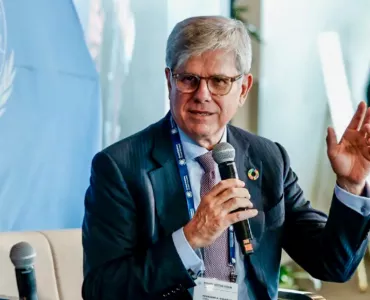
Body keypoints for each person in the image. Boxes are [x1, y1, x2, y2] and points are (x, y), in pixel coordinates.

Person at [81, 16, 370, 300]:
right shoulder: (120, 167)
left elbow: (332, 264)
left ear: (242, 89)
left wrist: (350, 185)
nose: (202, 95)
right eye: (189, 79)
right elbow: (102, 290)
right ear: (169, 80)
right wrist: (190, 237)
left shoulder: (268, 159)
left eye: (219, 81)